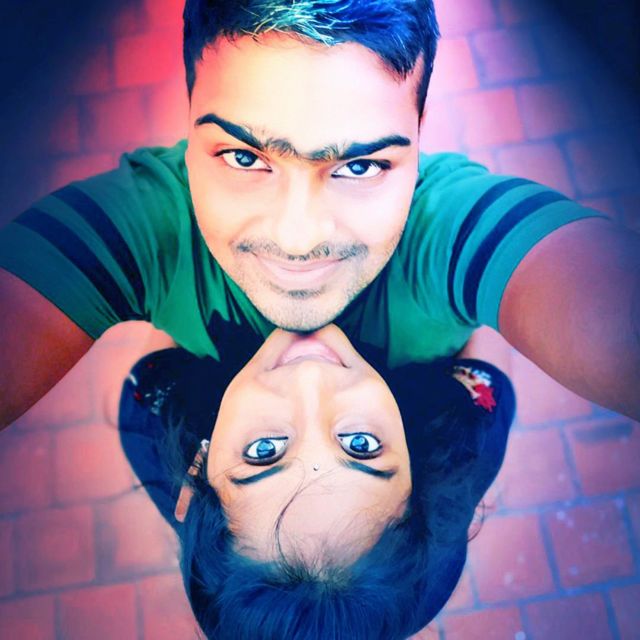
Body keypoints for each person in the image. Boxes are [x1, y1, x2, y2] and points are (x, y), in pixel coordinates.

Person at [0, 0, 639, 430]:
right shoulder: (145, 224)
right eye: (245, 157)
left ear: (419, 132)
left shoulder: (447, 224)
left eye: (360, 167)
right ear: (188, 119)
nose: (298, 237)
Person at [119, 323, 516, 639]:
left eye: (263, 451)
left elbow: (163, 332)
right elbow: (485, 358)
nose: (310, 377)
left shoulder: (155, 419)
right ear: (419, 482)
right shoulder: (462, 449)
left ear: (198, 471)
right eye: (361, 445)